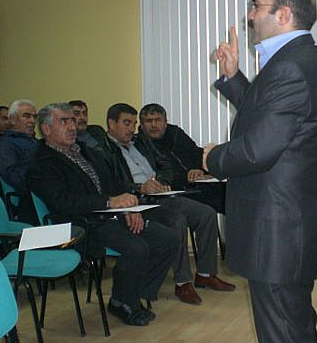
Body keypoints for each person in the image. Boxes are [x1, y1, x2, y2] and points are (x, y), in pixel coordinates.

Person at [203, 0, 317, 343]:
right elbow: (270, 117)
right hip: (285, 230)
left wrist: (213, 158)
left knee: (283, 332)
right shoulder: (295, 60)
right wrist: (233, 77)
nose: (249, 16)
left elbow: (257, 150)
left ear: (284, 14)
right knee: (292, 327)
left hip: (278, 232)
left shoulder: (290, 67)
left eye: (256, 6)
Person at [27, 103, 178, 326]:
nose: (72, 126)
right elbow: (63, 202)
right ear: (46, 129)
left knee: (169, 239)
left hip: (110, 215)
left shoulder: (84, 150)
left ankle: (133, 294)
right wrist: (109, 202)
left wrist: (128, 206)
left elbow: (114, 183)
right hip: (80, 223)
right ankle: (123, 302)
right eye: (64, 121)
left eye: (72, 120)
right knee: (137, 248)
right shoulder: (41, 163)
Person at [91, 103, 235, 305]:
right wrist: (140, 187)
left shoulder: (140, 142)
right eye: (126, 123)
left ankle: (205, 274)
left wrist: (161, 181)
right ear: (111, 124)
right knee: (177, 221)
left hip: (161, 195)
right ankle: (183, 282)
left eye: (133, 123)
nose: (131, 129)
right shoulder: (102, 151)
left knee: (206, 213)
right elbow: (111, 183)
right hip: (138, 202)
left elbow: (165, 164)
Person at [139, 103, 226, 213]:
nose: (154, 125)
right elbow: (162, 171)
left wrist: (198, 169)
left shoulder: (176, 134)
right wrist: (186, 177)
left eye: (158, 120)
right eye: (148, 121)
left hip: (198, 184)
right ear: (142, 125)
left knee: (230, 191)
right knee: (215, 205)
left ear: (165, 122)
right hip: (176, 190)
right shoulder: (140, 144)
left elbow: (197, 153)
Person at [0, 99, 39, 223]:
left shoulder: (36, 142)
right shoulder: (5, 145)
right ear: (12, 119)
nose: (32, 121)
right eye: (26, 116)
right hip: (29, 199)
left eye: (34, 117)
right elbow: (14, 178)